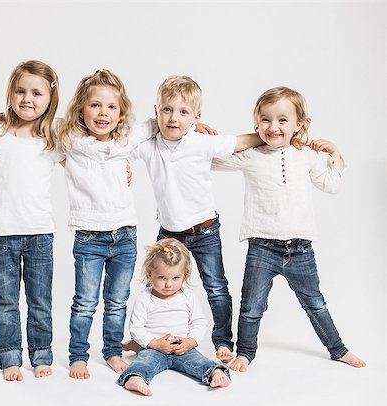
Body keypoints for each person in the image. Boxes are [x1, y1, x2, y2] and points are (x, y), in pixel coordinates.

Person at [212, 86, 366, 371]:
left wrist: (334, 153)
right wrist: (207, 139)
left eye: (283, 120)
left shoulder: (306, 156)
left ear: (299, 125)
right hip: (262, 247)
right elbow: (212, 159)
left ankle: (338, 349)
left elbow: (332, 184)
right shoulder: (251, 154)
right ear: (257, 122)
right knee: (251, 307)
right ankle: (245, 352)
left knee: (315, 303)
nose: (273, 127)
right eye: (266, 119)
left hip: (300, 249)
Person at [128, 75, 263, 363]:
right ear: (155, 111)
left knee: (215, 286)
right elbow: (122, 144)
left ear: (197, 117)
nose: (173, 118)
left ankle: (223, 340)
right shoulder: (149, 146)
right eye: (166, 110)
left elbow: (241, 142)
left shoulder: (202, 143)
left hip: (204, 230)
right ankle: (148, 336)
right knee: (156, 283)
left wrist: (275, 134)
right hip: (169, 234)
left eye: (183, 112)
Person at [57, 69, 161, 379]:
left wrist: (195, 125)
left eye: (112, 107)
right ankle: (78, 355)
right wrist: (1, 117)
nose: (104, 113)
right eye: (95, 105)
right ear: (81, 110)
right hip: (89, 236)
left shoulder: (127, 138)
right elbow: (37, 119)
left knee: (117, 300)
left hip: (124, 235)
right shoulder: (69, 138)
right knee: (86, 301)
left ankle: (113, 351)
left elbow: (160, 123)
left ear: (121, 112)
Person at [0, 60, 62, 381]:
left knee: (40, 300)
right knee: (6, 300)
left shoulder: (54, 133)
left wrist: (120, 169)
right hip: (3, 232)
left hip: (40, 233)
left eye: (37, 93)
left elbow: (84, 162)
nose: (27, 99)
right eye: (20, 91)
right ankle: (9, 355)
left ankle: (41, 354)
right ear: (10, 92)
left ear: (50, 99)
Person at [118, 238, 231, 396]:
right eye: (162, 278)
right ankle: (136, 378)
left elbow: (199, 321)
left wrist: (190, 341)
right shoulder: (144, 298)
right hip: (153, 347)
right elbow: (136, 327)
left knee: (200, 361)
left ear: (184, 276)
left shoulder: (188, 296)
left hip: (182, 347)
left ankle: (216, 373)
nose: (168, 284)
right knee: (144, 362)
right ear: (150, 274)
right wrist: (155, 343)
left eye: (175, 278)